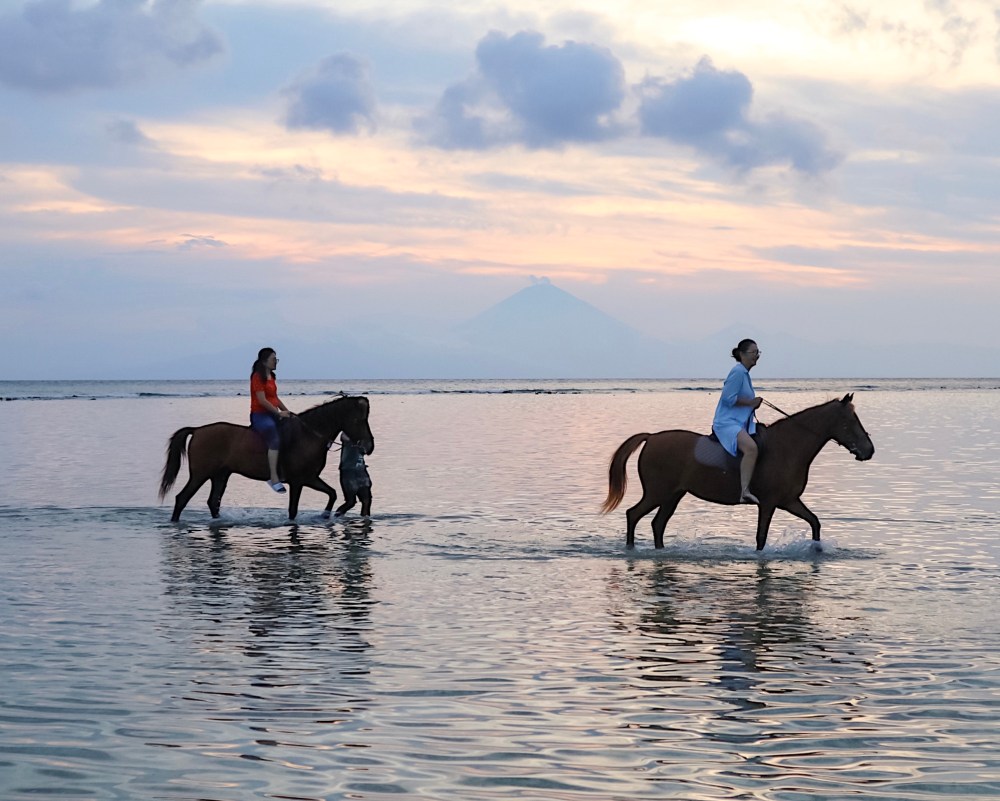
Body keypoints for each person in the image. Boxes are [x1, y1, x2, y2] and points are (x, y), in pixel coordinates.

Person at [712, 338, 764, 504]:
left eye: (758, 352)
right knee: (751, 448)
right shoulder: (738, 372)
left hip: (739, 422)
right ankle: (744, 491)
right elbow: (728, 399)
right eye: (753, 352)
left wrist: (752, 405)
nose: (757, 356)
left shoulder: (744, 374)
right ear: (742, 354)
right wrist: (750, 403)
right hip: (726, 423)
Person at [249, 347, 292, 493]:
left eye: (276, 359)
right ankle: (273, 477)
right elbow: (262, 400)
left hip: (272, 413)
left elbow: (274, 398)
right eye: (273, 359)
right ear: (264, 361)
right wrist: (278, 414)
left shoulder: (271, 376)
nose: (276, 362)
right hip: (260, 415)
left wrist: (286, 411)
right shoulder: (257, 376)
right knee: (274, 438)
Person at [334, 431, 372, 517]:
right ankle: (335, 518)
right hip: (348, 472)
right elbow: (343, 437)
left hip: (361, 471)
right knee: (350, 502)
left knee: (367, 500)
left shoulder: (364, 436)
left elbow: (369, 448)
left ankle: (365, 522)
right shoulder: (347, 433)